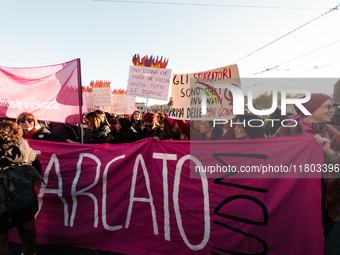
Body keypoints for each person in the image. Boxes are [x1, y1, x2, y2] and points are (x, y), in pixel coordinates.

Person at [274, 93, 340, 252]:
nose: (332, 111)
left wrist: (330, 155)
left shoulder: (337, 134)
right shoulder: (286, 131)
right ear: (311, 108)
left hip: (329, 204)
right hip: (296, 202)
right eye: (328, 107)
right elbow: (274, 165)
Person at [0, 121, 42, 255]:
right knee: (28, 230)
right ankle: (30, 252)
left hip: (1, 203)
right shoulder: (28, 150)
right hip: (25, 198)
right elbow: (38, 171)